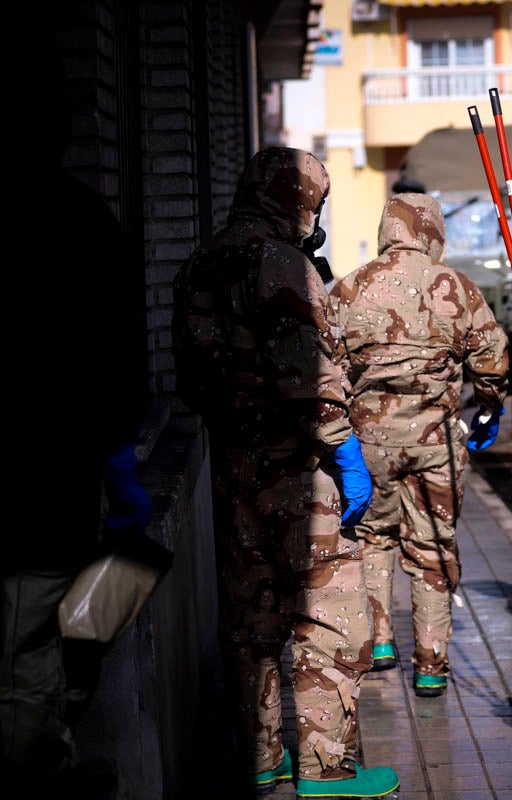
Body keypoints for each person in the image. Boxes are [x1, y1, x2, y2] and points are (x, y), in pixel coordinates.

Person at [172, 146, 397, 798]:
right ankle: (327, 770)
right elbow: (316, 379)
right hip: (299, 474)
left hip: (233, 466)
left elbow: (189, 377)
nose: (315, 216)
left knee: (251, 621)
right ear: (292, 200)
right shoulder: (280, 265)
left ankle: (262, 759)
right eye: (314, 203)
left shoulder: (199, 265)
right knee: (327, 617)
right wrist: (345, 451)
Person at [0, 33, 152, 789]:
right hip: (46, 486)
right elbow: (119, 360)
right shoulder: (81, 220)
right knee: (32, 654)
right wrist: (121, 464)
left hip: (45, 477)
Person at [328, 193, 509, 697]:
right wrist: (489, 406)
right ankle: (431, 663)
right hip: (436, 442)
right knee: (432, 545)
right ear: (432, 230)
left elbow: (326, 365)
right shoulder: (454, 284)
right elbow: (491, 360)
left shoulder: (348, 287)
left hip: (369, 442)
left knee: (373, 536)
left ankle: (380, 640)